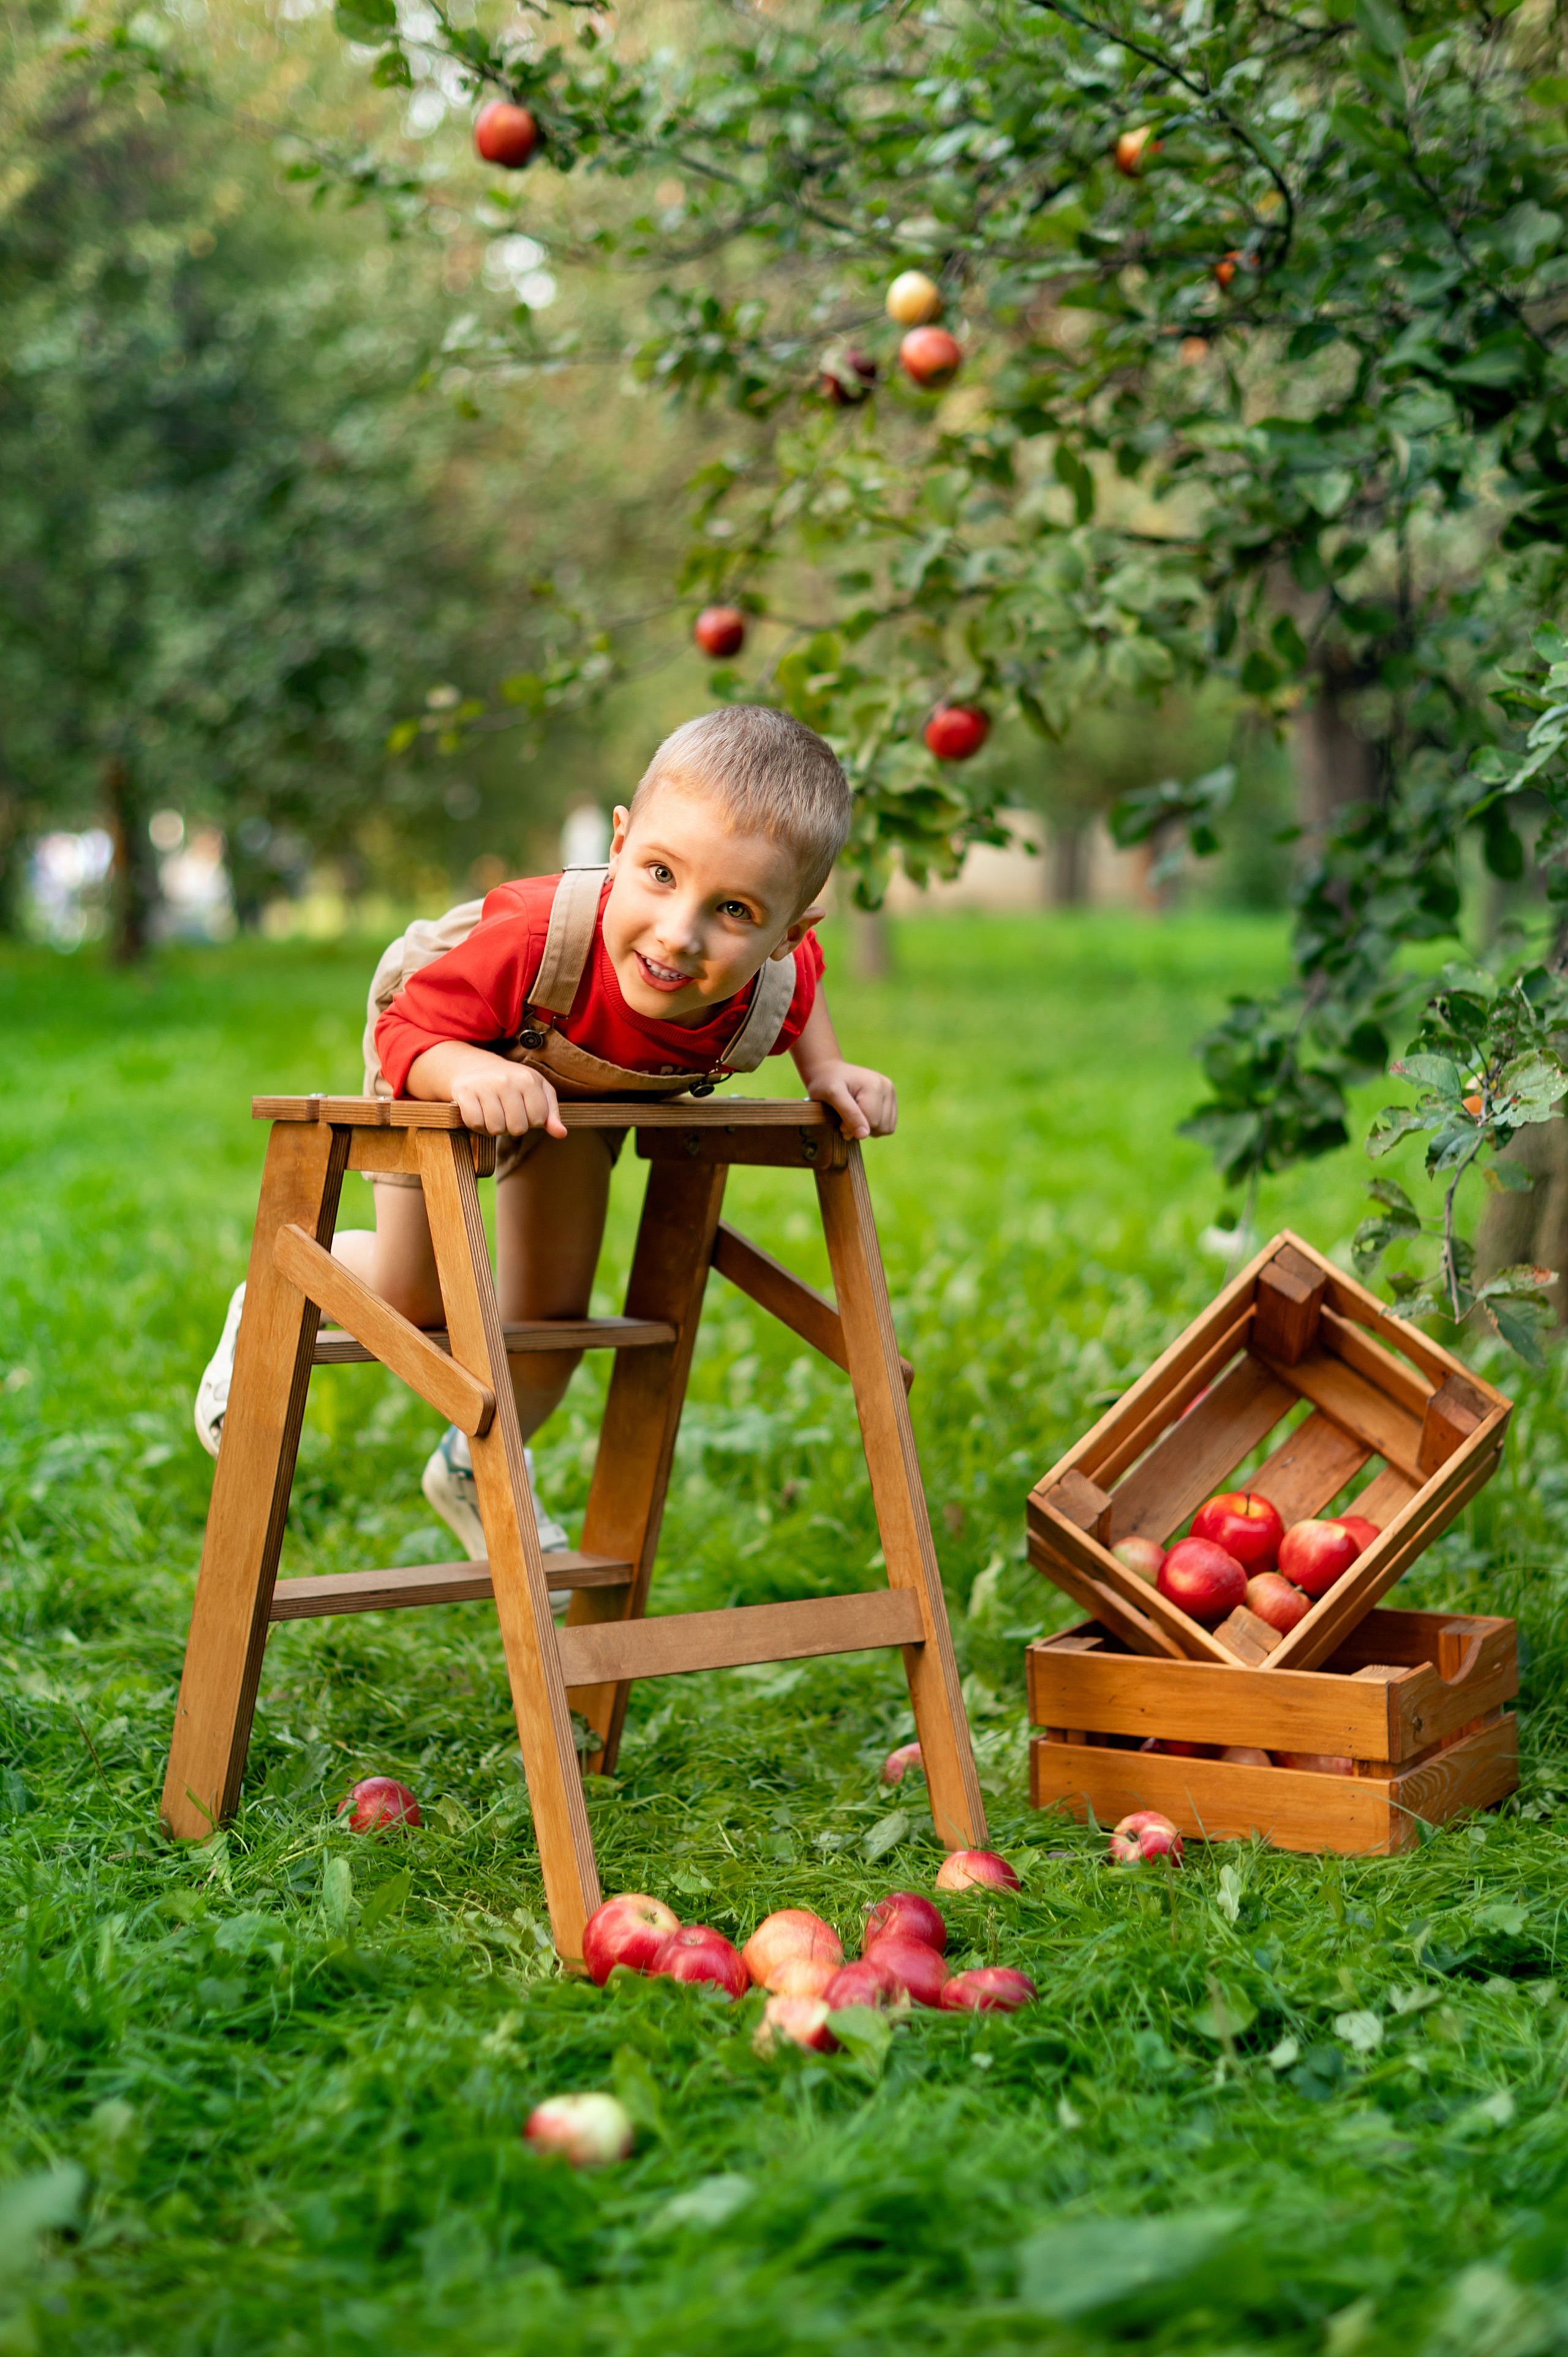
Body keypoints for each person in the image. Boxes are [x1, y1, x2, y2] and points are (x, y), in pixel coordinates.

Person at [195, 704, 897, 1564]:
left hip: (568, 1099)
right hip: (448, 1039)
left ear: (788, 933)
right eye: (660, 874)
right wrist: (468, 1072)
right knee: (416, 1297)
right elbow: (404, 1032)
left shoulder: (773, 978)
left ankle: (470, 1464)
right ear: (619, 838)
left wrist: (826, 1071)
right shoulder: (532, 937)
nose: (680, 934)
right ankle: (274, 1291)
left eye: (736, 910)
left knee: (550, 1330)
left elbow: (805, 994)